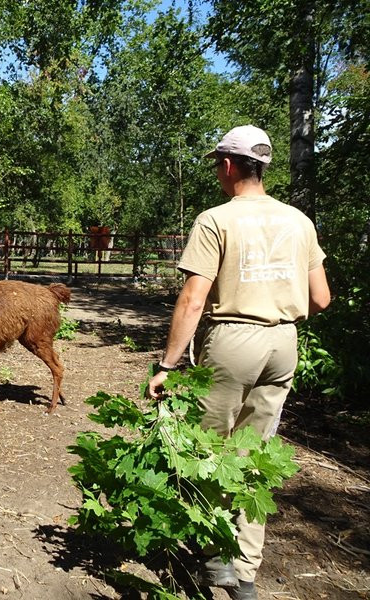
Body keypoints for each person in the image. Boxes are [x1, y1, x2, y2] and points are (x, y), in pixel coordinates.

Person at [147, 125, 331, 600]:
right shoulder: (299, 222)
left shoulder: (216, 220)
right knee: (255, 456)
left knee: (209, 448)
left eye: (216, 164)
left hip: (233, 340)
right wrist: (279, 309)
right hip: (283, 343)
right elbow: (322, 298)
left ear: (228, 166)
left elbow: (192, 300)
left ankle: (213, 557)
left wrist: (167, 365)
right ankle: (246, 572)